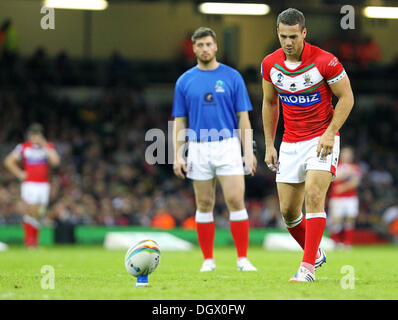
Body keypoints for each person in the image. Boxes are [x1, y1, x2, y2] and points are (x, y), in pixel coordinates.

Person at [261, 8, 354, 282]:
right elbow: (269, 103)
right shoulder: (269, 64)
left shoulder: (326, 62)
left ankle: (307, 269)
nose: (288, 42)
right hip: (290, 142)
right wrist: (269, 144)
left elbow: (347, 98)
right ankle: (314, 253)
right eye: (282, 37)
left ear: (303, 33)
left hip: (321, 140)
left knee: (314, 197)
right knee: (289, 213)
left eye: (293, 36)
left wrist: (330, 132)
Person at [172, 27, 258, 272]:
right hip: (198, 146)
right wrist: (177, 154)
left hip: (227, 144)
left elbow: (243, 117)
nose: (205, 49)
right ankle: (208, 260)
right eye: (200, 45)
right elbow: (179, 120)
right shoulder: (184, 81)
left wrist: (248, 151)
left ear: (216, 46)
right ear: (194, 48)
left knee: (235, 199)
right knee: (204, 204)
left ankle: (242, 259)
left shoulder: (232, 77)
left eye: (208, 44)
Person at [4, 123, 60, 248]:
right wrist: (19, 173)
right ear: (29, 135)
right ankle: (29, 242)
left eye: (37, 134)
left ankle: (34, 242)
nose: (35, 137)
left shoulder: (47, 147)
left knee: (39, 213)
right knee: (30, 211)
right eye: (33, 134)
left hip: (44, 185)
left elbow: (55, 161)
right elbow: (8, 161)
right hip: (30, 184)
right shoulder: (23, 147)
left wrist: (44, 144)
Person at [328, 146, 362, 248]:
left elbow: (355, 182)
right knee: (336, 220)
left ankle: (347, 243)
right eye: (345, 153)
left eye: (349, 154)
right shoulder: (335, 166)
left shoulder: (355, 167)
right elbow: (332, 178)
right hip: (337, 197)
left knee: (350, 219)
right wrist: (346, 174)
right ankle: (335, 242)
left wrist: (343, 187)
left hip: (351, 197)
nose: (347, 156)